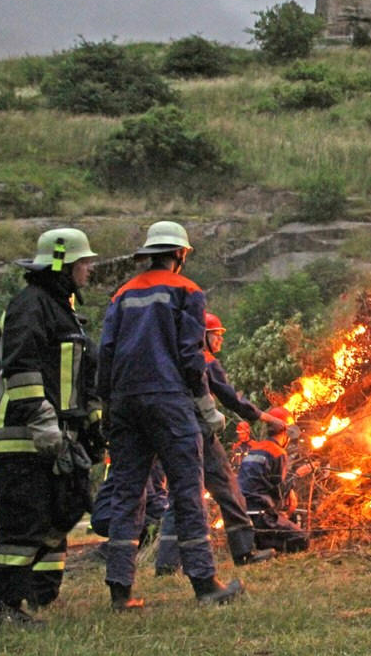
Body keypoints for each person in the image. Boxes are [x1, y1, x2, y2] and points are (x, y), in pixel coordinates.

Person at [97, 221, 242, 609]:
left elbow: (106, 353)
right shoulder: (187, 291)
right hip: (169, 401)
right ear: (180, 254)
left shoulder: (122, 295)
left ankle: (119, 589)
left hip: (126, 402)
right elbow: (191, 354)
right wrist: (204, 402)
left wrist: (107, 406)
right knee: (187, 488)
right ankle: (204, 583)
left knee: (128, 493)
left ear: (149, 254)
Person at [0, 227, 103, 626]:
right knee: (24, 525)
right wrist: (43, 420)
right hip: (26, 437)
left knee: (60, 514)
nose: (90, 269)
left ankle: (24, 591)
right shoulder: (30, 306)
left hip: (57, 436)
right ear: (61, 264)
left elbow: (77, 379)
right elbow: (22, 366)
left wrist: (89, 429)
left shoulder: (62, 309)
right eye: (84, 262)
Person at [155, 311, 281, 574]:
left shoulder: (171, 361)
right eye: (217, 335)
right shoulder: (206, 361)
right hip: (201, 434)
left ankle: (166, 564)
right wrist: (267, 417)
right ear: (203, 336)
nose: (221, 340)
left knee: (181, 496)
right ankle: (244, 552)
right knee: (228, 489)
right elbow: (232, 398)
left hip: (174, 435)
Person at [236, 406, 310, 553]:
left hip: (243, 515)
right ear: (287, 432)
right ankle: (268, 546)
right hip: (261, 517)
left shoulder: (256, 448)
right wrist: (297, 475)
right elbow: (279, 492)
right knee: (302, 539)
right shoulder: (278, 452)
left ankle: (263, 542)